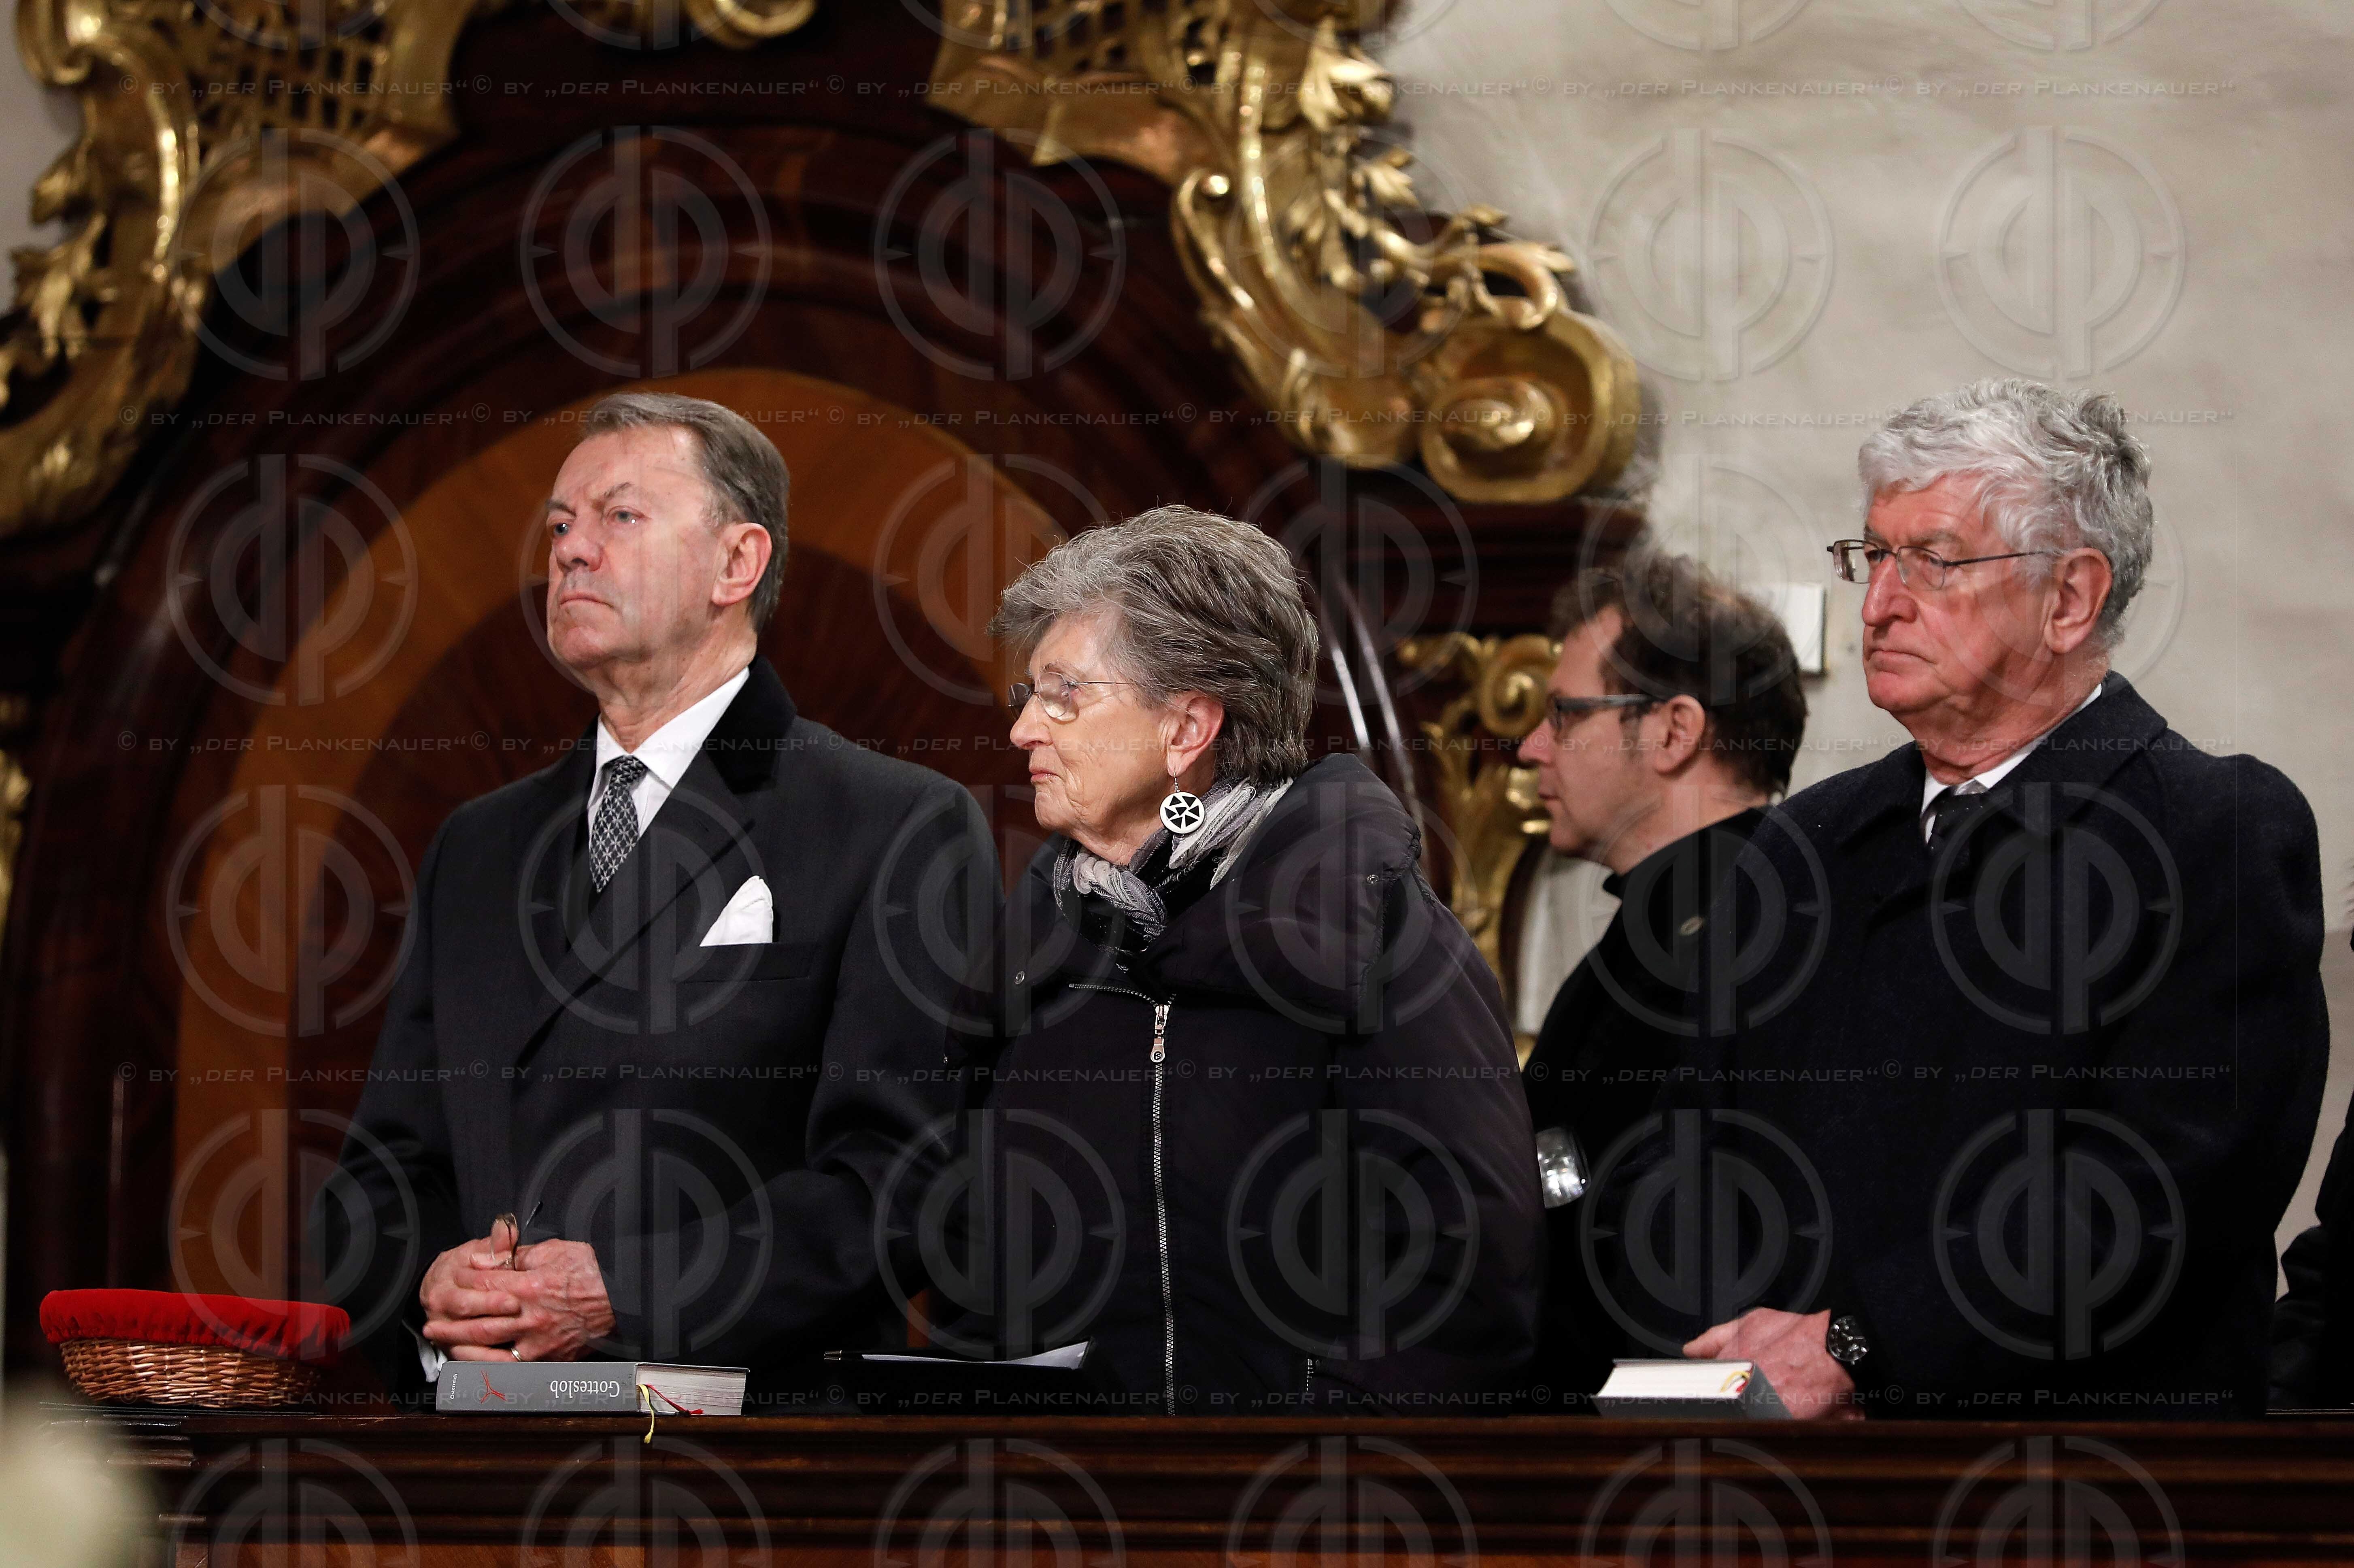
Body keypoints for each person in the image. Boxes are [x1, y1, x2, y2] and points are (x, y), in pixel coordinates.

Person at [316, 391, 997, 1402]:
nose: (571, 551)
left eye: (619, 518)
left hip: (753, 1463)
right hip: (476, 1452)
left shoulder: (893, 823)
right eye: (559, 525)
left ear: (738, 563)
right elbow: (383, 1170)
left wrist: (620, 1292)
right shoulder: (478, 846)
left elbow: (901, 1186)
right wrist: (426, 1277)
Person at [1675, 379, 2325, 1420]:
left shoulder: (2212, 830)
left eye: (1933, 560)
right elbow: (1699, 1146)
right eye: (1872, 556)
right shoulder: (1808, 841)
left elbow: (2156, 1193)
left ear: (2069, 599)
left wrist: (1857, 1339)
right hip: (1781, 1463)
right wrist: (1731, 1342)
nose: (1880, 601)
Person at [922, 505, 1542, 1414]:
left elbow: (1465, 1271)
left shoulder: (1379, 940)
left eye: (1065, 695)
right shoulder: (1039, 944)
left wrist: (1304, 1476)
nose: (1023, 730)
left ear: (1186, 730)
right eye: (1029, 695)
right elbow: (976, 1262)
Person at [1514, 551, 1807, 1403]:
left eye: (1566, 714)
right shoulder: (1679, 919)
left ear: (1675, 731)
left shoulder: (1750, 931)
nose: (1533, 746)